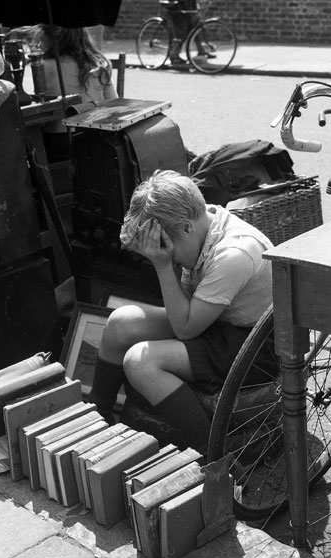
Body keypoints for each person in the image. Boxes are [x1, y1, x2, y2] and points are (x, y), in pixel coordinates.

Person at [88, 170, 274, 454]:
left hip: (253, 345)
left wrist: (163, 267)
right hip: (218, 323)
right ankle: (98, 419)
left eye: (171, 253)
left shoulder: (233, 254)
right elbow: (186, 309)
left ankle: (213, 450)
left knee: (140, 362)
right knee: (120, 322)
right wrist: (168, 259)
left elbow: (185, 330)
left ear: (186, 228)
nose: (171, 260)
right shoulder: (199, 227)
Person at [38, 25, 118, 161]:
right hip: (96, 138)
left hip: (59, 140)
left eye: (41, 39)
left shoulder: (43, 66)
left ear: (52, 39)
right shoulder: (97, 65)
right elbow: (114, 104)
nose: (39, 45)